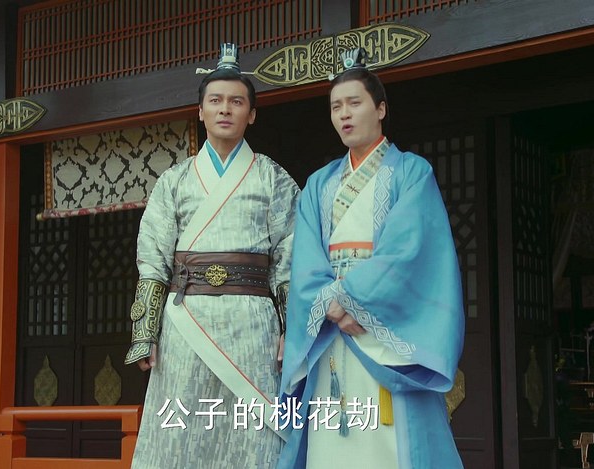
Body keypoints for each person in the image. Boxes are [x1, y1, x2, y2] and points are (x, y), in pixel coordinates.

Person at [278, 48, 465, 469]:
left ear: (380, 109)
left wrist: (354, 300)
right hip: (330, 328)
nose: (344, 114)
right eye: (335, 107)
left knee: (388, 444)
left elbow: (409, 251)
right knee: (330, 436)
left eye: (354, 103)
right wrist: (331, 304)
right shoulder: (318, 184)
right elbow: (304, 260)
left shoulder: (411, 173)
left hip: (379, 327)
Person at [125, 43, 299, 468]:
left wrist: (292, 331)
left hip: (252, 323)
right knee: (181, 429)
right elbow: (153, 258)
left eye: (236, 102)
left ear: (251, 114)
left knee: (254, 430)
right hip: (187, 321)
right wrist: (145, 332)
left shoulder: (273, 178)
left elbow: (289, 259)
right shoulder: (175, 180)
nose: (225, 109)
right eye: (216, 100)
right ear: (200, 111)